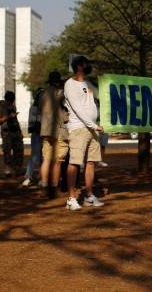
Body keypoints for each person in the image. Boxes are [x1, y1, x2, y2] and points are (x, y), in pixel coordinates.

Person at [64, 56, 104, 211]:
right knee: (74, 162)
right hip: (79, 128)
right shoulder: (70, 84)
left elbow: (101, 97)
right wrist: (93, 125)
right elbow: (77, 108)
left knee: (91, 162)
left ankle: (89, 196)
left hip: (92, 129)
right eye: (87, 64)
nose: (89, 66)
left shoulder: (88, 84)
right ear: (79, 66)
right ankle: (71, 198)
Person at [39, 71, 70, 198]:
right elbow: (66, 110)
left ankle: (44, 186)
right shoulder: (61, 93)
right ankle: (54, 188)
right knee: (58, 161)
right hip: (59, 129)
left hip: (46, 130)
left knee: (46, 160)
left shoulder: (43, 94)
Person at [0, 91, 24, 178]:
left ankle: (17, 169)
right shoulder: (1, 107)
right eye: (10, 100)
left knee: (19, 151)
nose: (11, 102)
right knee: (7, 151)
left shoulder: (13, 106)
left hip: (16, 132)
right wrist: (8, 117)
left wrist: (20, 131)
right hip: (6, 132)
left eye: (12, 101)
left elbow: (15, 120)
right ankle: (7, 170)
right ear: (6, 99)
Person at [22, 88, 44, 187]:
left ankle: (42, 177)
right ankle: (28, 176)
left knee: (44, 157)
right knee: (35, 155)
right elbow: (32, 122)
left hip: (45, 134)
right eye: (41, 96)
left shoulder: (46, 108)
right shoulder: (33, 108)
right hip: (36, 133)